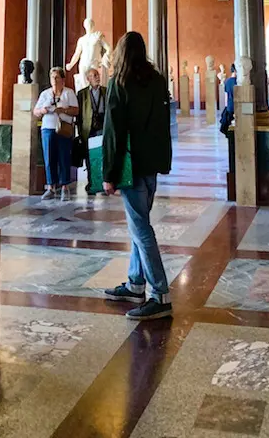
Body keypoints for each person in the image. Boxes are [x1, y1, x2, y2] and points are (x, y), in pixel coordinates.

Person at [103, 31, 173, 321]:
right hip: (151, 164)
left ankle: (160, 294)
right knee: (138, 224)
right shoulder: (157, 81)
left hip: (131, 168)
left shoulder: (119, 83)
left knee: (141, 229)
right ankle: (135, 283)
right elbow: (163, 124)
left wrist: (109, 173)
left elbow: (113, 132)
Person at [34, 66, 78, 201]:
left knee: (64, 157)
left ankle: (65, 186)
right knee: (49, 158)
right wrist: (43, 110)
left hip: (64, 129)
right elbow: (36, 112)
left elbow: (76, 110)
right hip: (48, 128)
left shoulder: (69, 93)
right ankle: (51, 187)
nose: (54, 80)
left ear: (62, 79)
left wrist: (63, 110)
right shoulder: (45, 94)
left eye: (57, 77)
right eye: (52, 77)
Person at [76, 67, 106, 195]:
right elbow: (79, 114)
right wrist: (80, 130)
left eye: (97, 75)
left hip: (102, 126)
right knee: (89, 156)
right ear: (88, 79)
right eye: (94, 75)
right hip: (88, 128)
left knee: (102, 154)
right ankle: (91, 182)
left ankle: (103, 182)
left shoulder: (105, 91)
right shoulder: (82, 94)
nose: (97, 77)